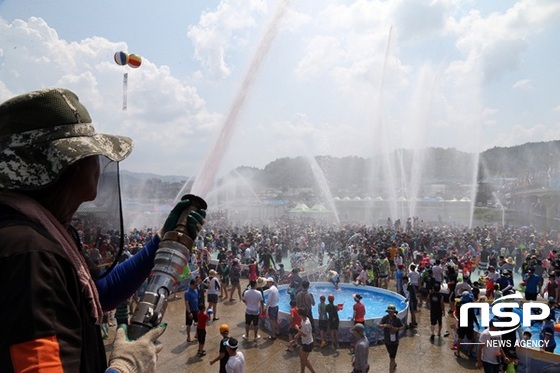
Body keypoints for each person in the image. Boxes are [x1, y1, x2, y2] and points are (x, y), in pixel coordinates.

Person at [0, 88, 206, 372]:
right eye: (91, 154)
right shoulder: (29, 255)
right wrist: (124, 367)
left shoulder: (40, 231)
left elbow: (98, 294)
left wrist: (160, 242)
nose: (97, 163)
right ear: (69, 165)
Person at [379, 304, 405, 373]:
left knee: (392, 357)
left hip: (395, 341)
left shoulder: (397, 319)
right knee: (391, 355)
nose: (390, 313)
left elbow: (402, 327)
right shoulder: (385, 318)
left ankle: (391, 370)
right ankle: (394, 364)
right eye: (389, 311)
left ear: (394, 312)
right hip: (387, 340)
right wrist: (385, 325)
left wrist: (396, 329)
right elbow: (379, 325)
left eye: (392, 311)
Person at [295, 308, 317, 373]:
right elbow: (302, 328)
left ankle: (313, 372)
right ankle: (302, 371)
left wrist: (297, 329)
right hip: (304, 342)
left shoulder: (306, 323)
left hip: (308, 343)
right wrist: (297, 335)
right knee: (301, 358)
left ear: (301, 315)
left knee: (304, 360)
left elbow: (304, 334)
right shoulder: (304, 319)